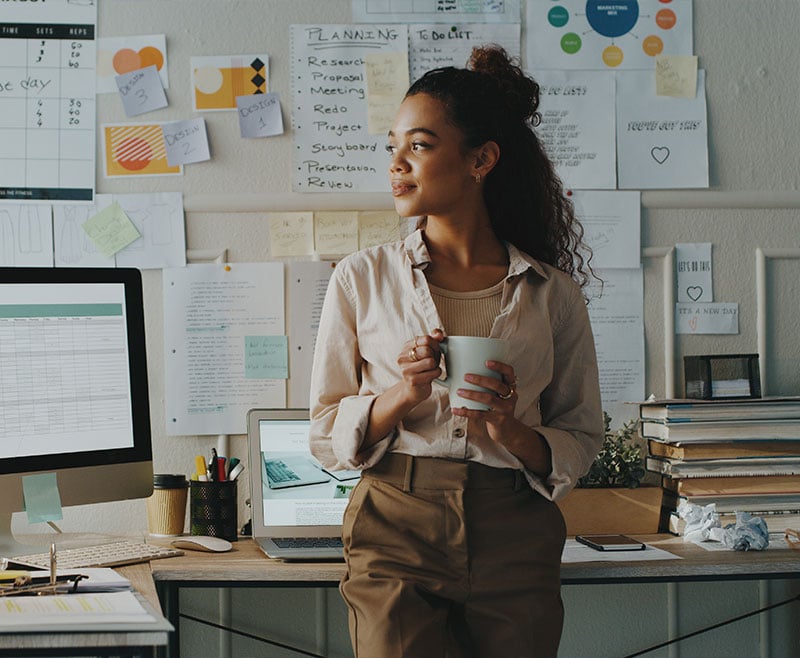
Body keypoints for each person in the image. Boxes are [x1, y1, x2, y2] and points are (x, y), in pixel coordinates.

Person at [309, 45, 603, 658]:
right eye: (391, 146)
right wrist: (405, 393)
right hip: (395, 521)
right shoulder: (360, 278)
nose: (395, 164)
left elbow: (581, 436)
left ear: (481, 160)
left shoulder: (553, 293)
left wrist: (508, 427)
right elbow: (325, 431)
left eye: (417, 145)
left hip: (515, 528)